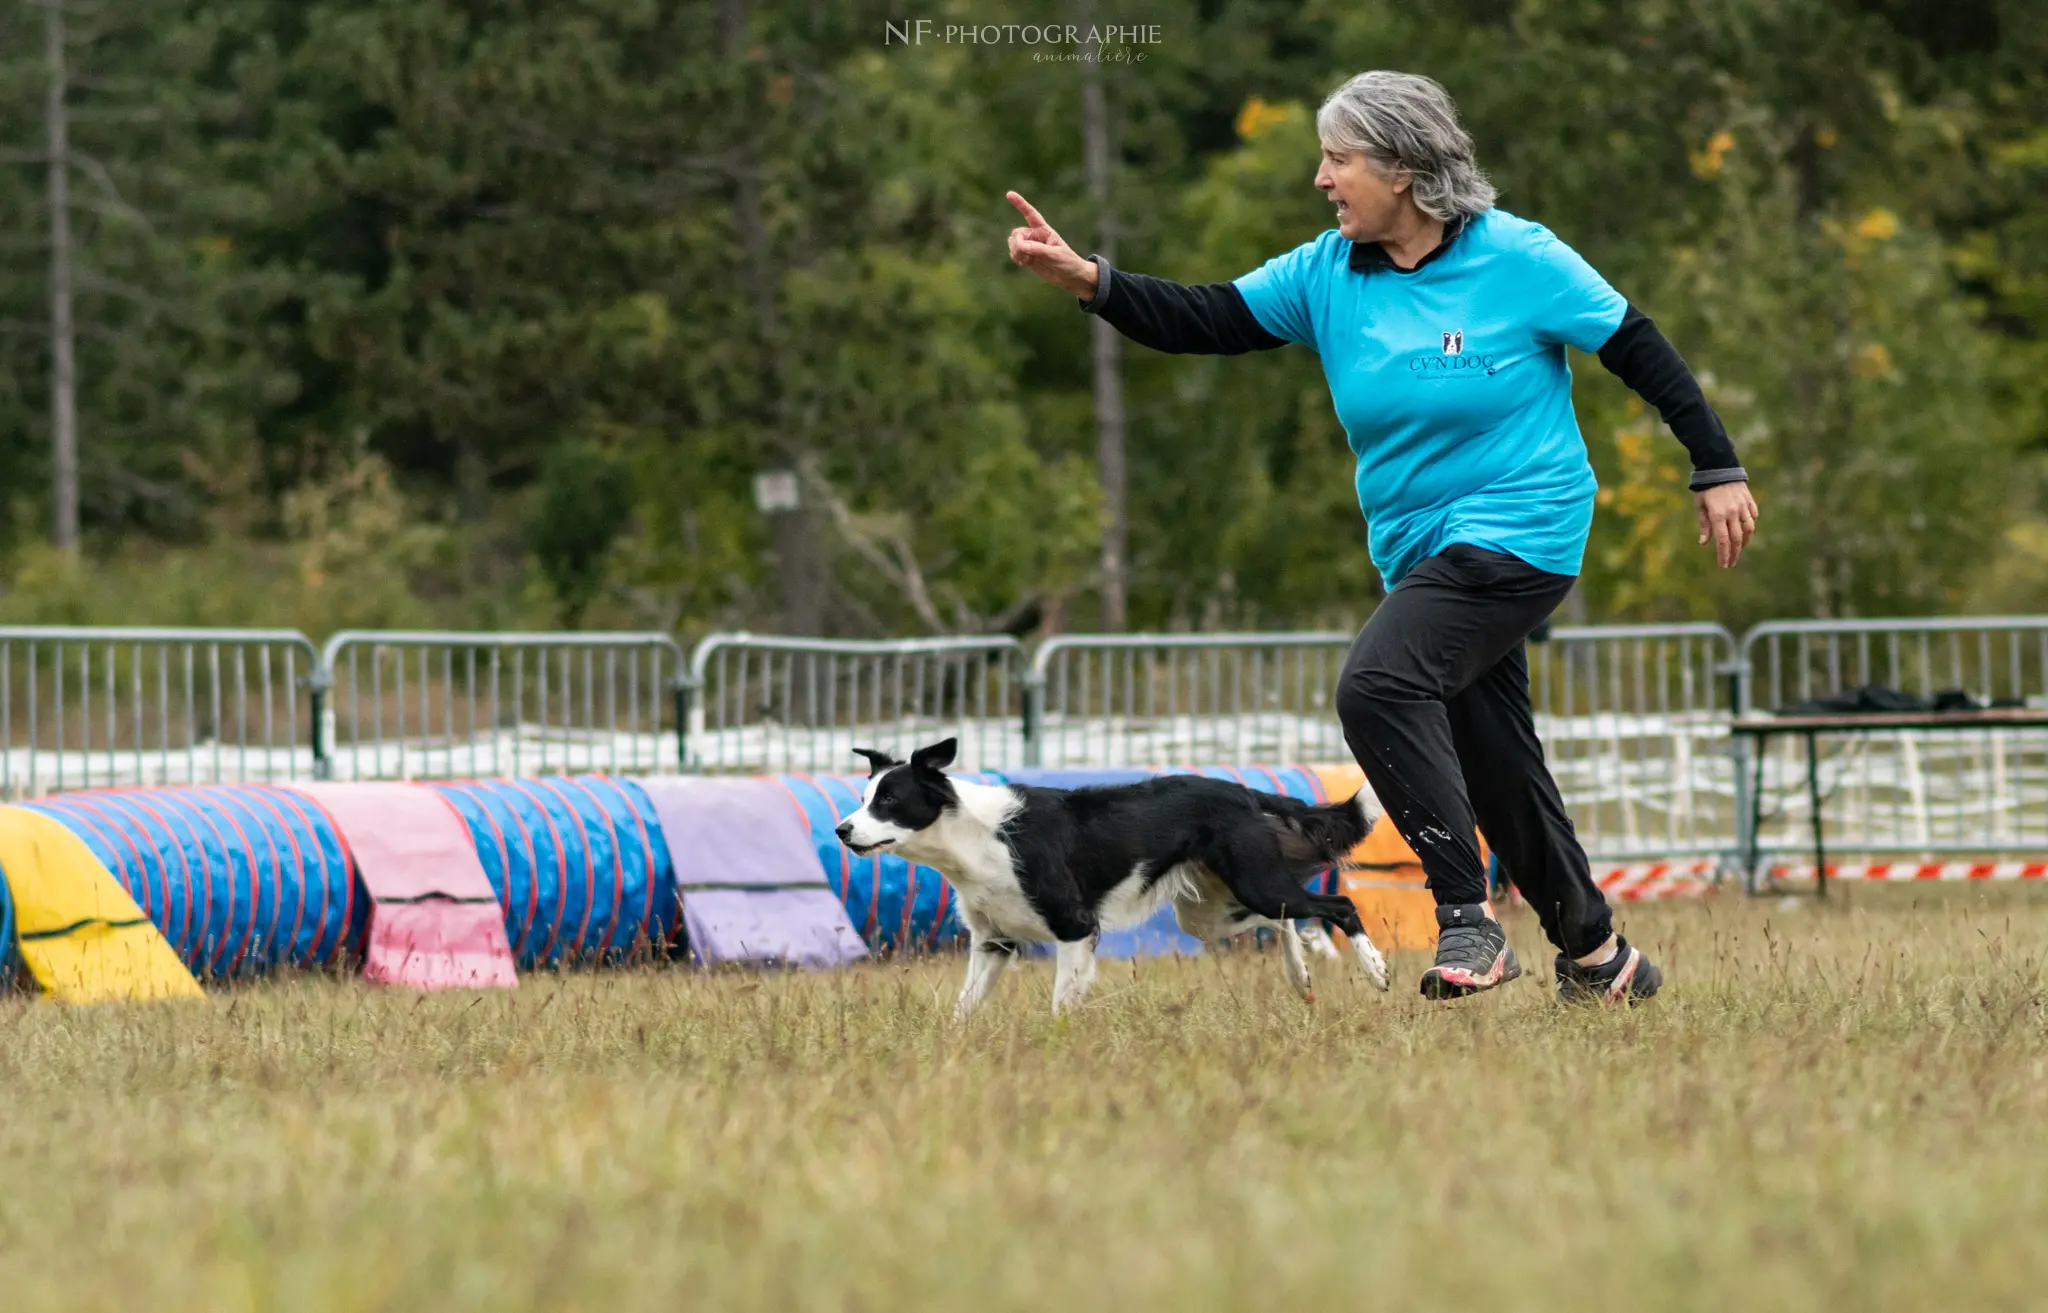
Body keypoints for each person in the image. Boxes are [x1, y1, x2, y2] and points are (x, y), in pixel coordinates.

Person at [1006, 69, 1758, 1004]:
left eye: (1339, 158)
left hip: (1523, 528)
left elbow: (1636, 344)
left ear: (1403, 168)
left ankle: (1466, 918)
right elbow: (1209, 318)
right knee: (1497, 763)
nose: (1322, 179)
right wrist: (1091, 281)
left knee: (1379, 684)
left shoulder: (1518, 257)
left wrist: (1715, 465)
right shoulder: (1326, 273)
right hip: (1420, 549)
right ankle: (1602, 959)